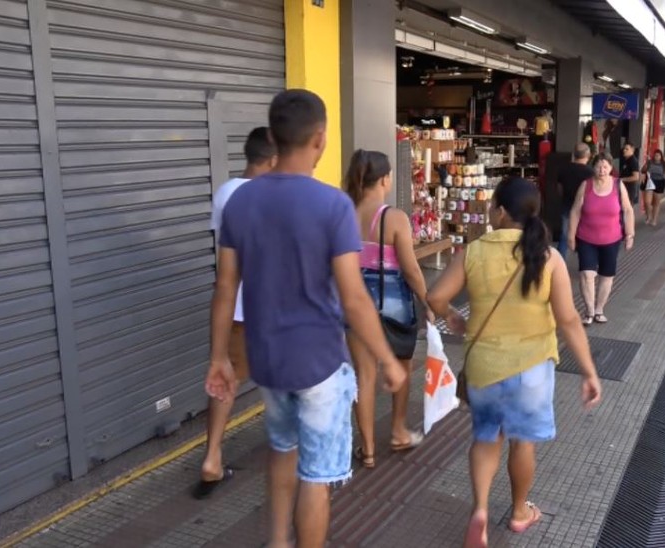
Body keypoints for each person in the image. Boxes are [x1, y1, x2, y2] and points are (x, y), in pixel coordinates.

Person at [206, 89, 407, 548]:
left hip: (268, 362)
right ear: (319, 139)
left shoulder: (241, 202)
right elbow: (355, 300)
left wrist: (219, 356)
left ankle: (278, 543)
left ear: (274, 138)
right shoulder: (332, 205)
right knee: (315, 479)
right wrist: (388, 361)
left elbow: (225, 287)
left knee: (282, 453)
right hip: (319, 363)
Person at [426, 177, 602, 548]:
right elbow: (569, 319)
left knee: (487, 439)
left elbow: (435, 296)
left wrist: (456, 320)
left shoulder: (473, 252)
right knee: (522, 443)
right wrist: (588, 370)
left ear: (502, 212)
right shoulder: (548, 256)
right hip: (532, 369)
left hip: (485, 368)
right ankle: (520, 512)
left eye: (492, 205)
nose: (490, 211)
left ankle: (480, 511)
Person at [194, 127, 277, 499]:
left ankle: (212, 457)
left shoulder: (226, 193)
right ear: (273, 158)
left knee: (228, 379)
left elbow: (224, 264)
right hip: (273, 306)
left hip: (238, 308)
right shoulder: (274, 197)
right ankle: (292, 457)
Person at [344, 149, 432, 468]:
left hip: (355, 297)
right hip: (392, 297)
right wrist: (428, 300)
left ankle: (366, 450)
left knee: (364, 376)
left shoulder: (344, 213)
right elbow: (410, 269)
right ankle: (397, 431)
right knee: (402, 368)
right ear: (385, 178)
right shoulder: (393, 218)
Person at [568, 154, 636, 325]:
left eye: (605, 166)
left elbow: (628, 210)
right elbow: (575, 211)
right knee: (587, 274)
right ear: (593, 167)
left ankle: (599, 310)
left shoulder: (618, 185)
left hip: (611, 239)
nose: (602, 170)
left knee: (607, 275)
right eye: (598, 166)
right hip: (586, 238)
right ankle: (589, 311)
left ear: (611, 168)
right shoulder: (586, 186)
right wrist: (570, 235)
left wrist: (630, 234)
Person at [556, 143, 594, 258]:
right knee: (587, 236)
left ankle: (560, 263)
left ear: (574, 155)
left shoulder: (563, 169)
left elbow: (559, 189)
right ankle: (587, 263)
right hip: (585, 208)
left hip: (567, 205)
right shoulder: (590, 172)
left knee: (564, 236)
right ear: (588, 155)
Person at [640, 149, 665, 226]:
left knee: (656, 202)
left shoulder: (663, 164)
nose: (656, 157)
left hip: (659, 182)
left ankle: (654, 219)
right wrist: (646, 164)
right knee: (647, 202)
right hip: (650, 182)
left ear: (661, 156)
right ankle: (648, 216)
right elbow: (642, 170)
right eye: (655, 155)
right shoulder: (650, 162)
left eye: (658, 155)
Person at [619, 143, 641, 214]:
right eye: (624, 149)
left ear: (632, 150)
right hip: (623, 187)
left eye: (627, 149)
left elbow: (636, 177)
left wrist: (621, 180)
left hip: (630, 189)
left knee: (627, 209)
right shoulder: (625, 160)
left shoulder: (633, 161)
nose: (624, 150)